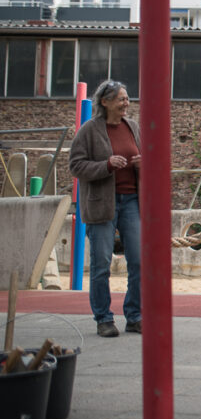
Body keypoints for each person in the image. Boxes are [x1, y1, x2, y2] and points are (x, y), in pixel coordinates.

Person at [69, 80, 143, 338]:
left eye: (127, 98)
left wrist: (142, 164)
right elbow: (76, 165)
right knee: (101, 263)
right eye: (121, 99)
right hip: (102, 203)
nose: (126, 103)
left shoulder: (133, 127)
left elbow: (146, 158)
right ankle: (104, 318)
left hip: (132, 201)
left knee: (139, 261)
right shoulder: (89, 130)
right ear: (105, 102)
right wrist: (107, 165)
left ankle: (135, 316)